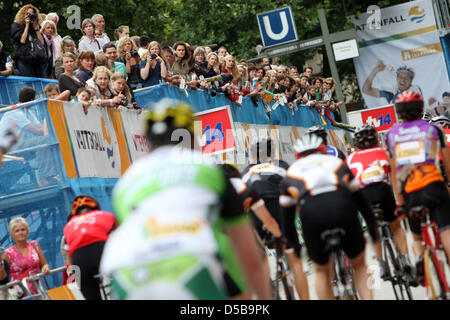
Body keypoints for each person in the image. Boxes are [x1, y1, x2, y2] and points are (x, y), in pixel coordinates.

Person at [99, 99, 272, 300]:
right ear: (192, 138)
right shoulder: (208, 167)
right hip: (192, 263)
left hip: (126, 273)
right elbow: (249, 257)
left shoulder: (127, 180)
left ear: (146, 143)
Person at [280, 134, 377, 300]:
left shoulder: (290, 174)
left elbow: (287, 221)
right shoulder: (337, 163)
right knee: (360, 266)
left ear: (297, 156)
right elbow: (361, 201)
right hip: (342, 208)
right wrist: (372, 229)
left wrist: (294, 247)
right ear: (323, 150)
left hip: (312, 215)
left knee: (321, 271)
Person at [385, 91, 450, 283]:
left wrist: (400, 202)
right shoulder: (433, 130)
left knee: (415, 236)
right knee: (446, 230)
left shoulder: (392, 134)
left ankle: (421, 256)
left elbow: (394, 173)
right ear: (420, 108)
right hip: (434, 185)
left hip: (410, 192)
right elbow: (446, 162)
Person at [346, 125, 416, 285]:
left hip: (363, 196)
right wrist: (400, 203)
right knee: (396, 227)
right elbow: (395, 179)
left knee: (373, 229)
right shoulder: (384, 152)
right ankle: (405, 259)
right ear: (377, 139)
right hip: (383, 191)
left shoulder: (349, 159)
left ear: (356, 144)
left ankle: (381, 264)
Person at [242, 138, 311, 300]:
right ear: (271, 153)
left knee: (261, 262)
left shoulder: (245, 172)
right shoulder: (280, 165)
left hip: (255, 215)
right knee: (295, 263)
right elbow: (296, 193)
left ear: (252, 156)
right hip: (277, 209)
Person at [63, 195, 118, 300]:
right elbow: (119, 238)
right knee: (124, 283)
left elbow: (68, 255)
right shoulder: (106, 215)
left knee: (90, 295)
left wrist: (76, 274)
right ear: (96, 208)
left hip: (78, 259)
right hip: (100, 249)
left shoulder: (68, 225)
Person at [1, 217, 50, 296]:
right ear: (12, 235)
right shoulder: (8, 253)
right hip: (20, 295)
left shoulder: (35, 245)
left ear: (27, 231)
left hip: (39, 291)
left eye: (23, 229)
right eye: (17, 231)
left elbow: (44, 264)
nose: (21, 232)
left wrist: (46, 267)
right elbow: (3, 277)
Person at [11, 4, 48, 77]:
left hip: (37, 60)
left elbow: (42, 43)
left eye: (31, 14)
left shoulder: (36, 26)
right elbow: (22, 41)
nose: (29, 16)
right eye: (27, 14)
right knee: (28, 83)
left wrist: (36, 28)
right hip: (24, 59)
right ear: (23, 14)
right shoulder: (16, 26)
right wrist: (27, 25)